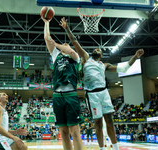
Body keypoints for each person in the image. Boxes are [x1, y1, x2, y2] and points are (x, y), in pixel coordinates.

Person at [60, 17, 144, 150]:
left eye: (99, 49)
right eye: (96, 48)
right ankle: (102, 149)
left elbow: (123, 69)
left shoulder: (104, 65)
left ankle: (116, 148)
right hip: (92, 95)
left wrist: (134, 57)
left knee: (110, 121)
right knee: (98, 124)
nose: (96, 48)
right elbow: (75, 43)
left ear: (101, 55)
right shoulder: (86, 58)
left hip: (104, 93)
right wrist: (67, 29)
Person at [42, 16, 84, 150]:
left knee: (75, 132)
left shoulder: (75, 58)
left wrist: (57, 44)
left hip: (71, 96)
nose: (65, 45)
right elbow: (47, 39)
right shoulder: (56, 56)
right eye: (63, 45)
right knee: (63, 133)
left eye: (66, 44)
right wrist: (47, 23)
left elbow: (70, 51)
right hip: (57, 97)